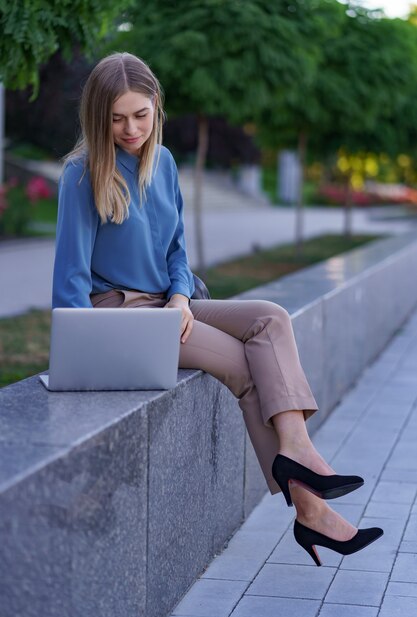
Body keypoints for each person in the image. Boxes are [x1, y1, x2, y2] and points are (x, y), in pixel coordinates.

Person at [52, 52, 383, 566]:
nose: (131, 128)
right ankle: (312, 511)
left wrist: (182, 299)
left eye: (141, 115)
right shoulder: (81, 175)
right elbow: (69, 283)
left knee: (270, 317)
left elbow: (177, 251)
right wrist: (88, 352)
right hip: (119, 314)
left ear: (156, 108)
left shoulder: (162, 163)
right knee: (241, 363)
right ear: (98, 116)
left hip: (170, 303)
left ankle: (297, 452)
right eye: (117, 118)